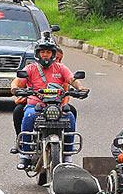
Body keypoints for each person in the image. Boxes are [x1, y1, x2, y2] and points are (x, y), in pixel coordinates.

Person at [12, 40, 83, 169]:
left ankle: (67, 155)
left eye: (48, 52)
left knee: (70, 117)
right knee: (28, 115)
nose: (45, 55)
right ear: (38, 54)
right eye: (43, 52)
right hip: (36, 105)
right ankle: (25, 155)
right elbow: (16, 83)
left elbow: (72, 80)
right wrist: (16, 89)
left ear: (53, 54)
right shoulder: (30, 68)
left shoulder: (61, 68)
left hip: (57, 105)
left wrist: (81, 88)